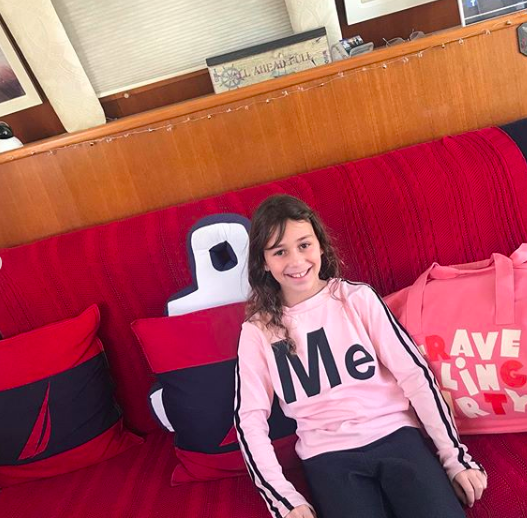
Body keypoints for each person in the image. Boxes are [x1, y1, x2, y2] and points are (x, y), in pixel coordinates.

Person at [234, 194, 487, 518]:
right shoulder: (257, 331)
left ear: (320, 245)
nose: (296, 261)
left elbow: (414, 374)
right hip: (327, 457)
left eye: (304, 245)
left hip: (396, 436)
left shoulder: (357, 299)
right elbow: (249, 419)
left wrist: (455, 458)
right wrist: (284, 499)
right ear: (263, 262)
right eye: (279, 251)